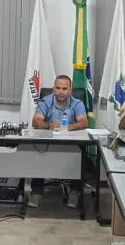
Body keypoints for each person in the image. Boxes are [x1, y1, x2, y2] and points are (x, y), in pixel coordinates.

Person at [29, 75, 89, 208]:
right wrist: (49, 125)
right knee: (37, 153)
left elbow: (83, 122)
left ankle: (74, 192)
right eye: (58, 88)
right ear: (53, 89)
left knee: (79, 156)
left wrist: (65, 128)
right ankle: (37, 192)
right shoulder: (45, 101)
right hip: (49, 144)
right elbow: (36, 121)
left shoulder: (77, 103)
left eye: (64, 88)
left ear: (70, 91)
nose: (61, 91)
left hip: (71, 144)